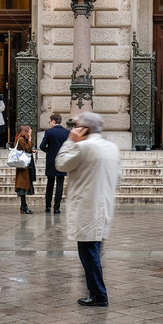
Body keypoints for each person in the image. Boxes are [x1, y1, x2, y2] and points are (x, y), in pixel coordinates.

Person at [55, 112, 121, 308]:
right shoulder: (111, 147)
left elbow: (60, 164)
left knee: (88, 252)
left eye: (76, 125)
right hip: (102, 206)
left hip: (87, 208)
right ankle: (94, 289)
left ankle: (99, 294)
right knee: (93, 250)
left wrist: (69, 141)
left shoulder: (84, 147)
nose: (73, 129)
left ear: (85, 129)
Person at [39, 112, 69, 213]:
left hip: (51, 160)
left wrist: (50, 152)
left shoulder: (49, 132)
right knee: (60, 183)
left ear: (53, 121)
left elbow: (42, 146)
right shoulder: (67, 132)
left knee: (50, 183)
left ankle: (48, 206)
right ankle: (57, 207)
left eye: (49, 121)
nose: (49, 123)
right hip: (62, 160)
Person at [13, 124, 37, 214]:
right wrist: (30, 139)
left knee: (24, 185)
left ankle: (23, 206)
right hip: (23, 166)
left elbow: (26, 149)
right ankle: (23, 206)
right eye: (29, 130)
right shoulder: (21, 139)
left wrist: (32, 150)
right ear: (25, 131)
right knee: (23, 185)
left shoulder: (22, 139)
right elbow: (26, 149)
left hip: (24, 165)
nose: (31, 130)